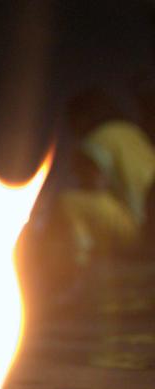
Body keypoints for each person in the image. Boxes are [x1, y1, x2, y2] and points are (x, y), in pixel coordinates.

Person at [57, 89, 155, 267]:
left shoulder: (97, 139)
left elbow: (94, 186)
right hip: (150, 223)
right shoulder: (133, 132)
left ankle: (79, 263)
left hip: (139, 227)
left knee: (68, 202)